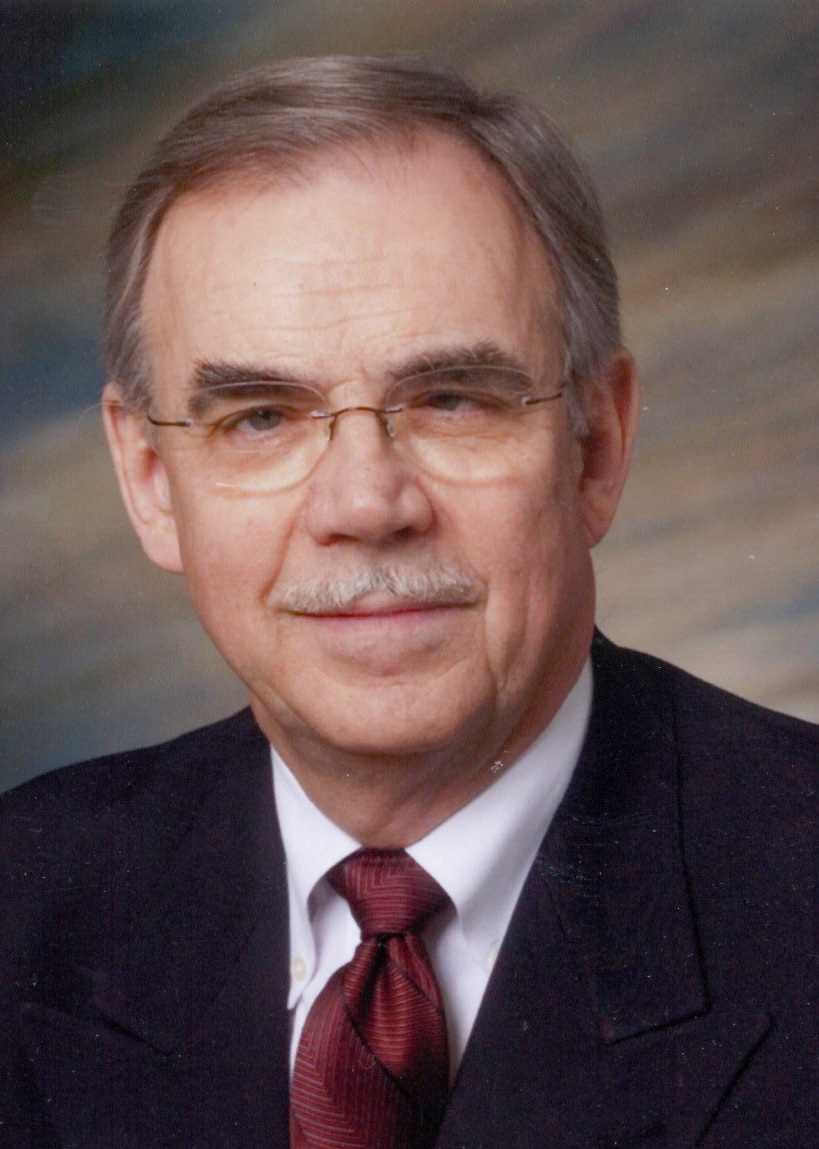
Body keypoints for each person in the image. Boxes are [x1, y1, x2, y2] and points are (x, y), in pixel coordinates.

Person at [1, 56, 816, 1149]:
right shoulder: (24, 902)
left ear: (596, 445)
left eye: (452, 400)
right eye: (259, 418)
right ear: (150, 481)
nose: (365, 504)